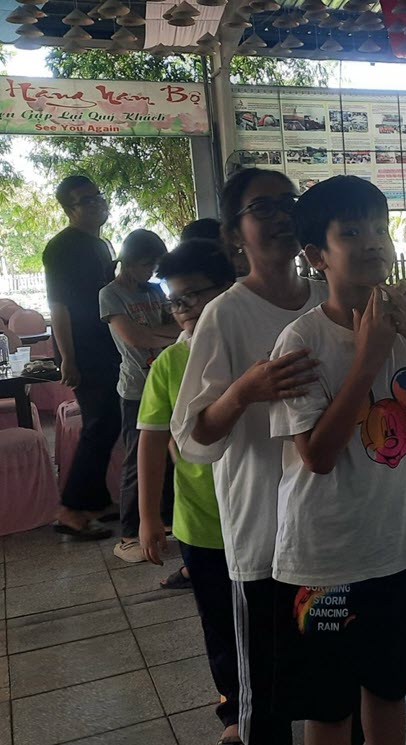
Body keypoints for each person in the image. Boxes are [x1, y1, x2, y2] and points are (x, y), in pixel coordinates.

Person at [269, 175, 406, 745]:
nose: (373, 241)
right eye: (351, 232)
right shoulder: (300, 341)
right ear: (315, 255)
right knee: (329, 708)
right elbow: (317, 456)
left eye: (380, 228)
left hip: (396, 546)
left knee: (389, 688)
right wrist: (369, 358)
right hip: (325, 558)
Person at [171, 168, 328, 745]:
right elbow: (191, 436)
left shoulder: (330, 300)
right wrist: (244, 391)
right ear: (235, 233)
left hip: (330, 526)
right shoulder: (225, 314)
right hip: (262, 526)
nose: (282, 215)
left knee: (332, 677)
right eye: (263, 208)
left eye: (290, 202)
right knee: (265, 689)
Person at [136, 239, 241, 743]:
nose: (184, 310)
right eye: (175, 301)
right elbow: (151, 442)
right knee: (219, 624)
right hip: (202, 522)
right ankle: (234, 711)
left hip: (268, 516)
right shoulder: (169, 364)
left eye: (193, 296)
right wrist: (148, 518)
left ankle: (285, 697)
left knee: (278, 616)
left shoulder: (257, 346)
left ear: (228, 289)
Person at [44, 175, 121, 540]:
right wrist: (67, 358)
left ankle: (95, 502)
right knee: (100, 424)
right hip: (82, 349)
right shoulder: (61, 247)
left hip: (106, 345)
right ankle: (70, 509)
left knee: (105, 421)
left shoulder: (100, 244)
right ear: (69, 209)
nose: (96, 204)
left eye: (97, 196)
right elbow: (58, 306)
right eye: (86, 201)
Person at [100, 229, 180, 563]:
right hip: (135, 389)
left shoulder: (155, 290)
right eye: (147, 265)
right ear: (129, 261)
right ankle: (129, 533)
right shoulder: (110, 294)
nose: (151, 272)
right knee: (137, 461)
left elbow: (180, 328)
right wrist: (163, 336)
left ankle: (165, 520)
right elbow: (134, 338)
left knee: (170, 456)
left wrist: (156, 334)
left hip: (166, 383)